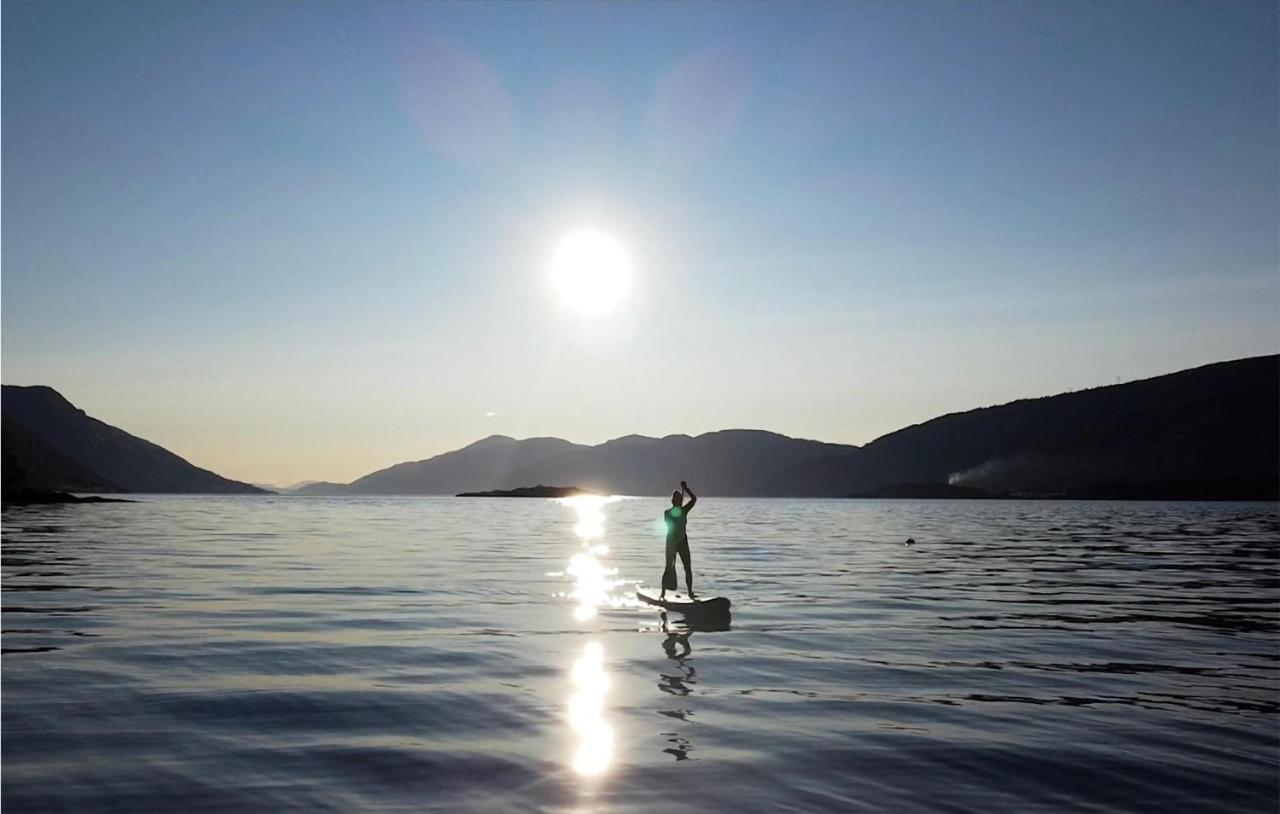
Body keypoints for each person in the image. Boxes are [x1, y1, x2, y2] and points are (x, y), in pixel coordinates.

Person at [661, 480, 697, 600]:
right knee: (669, 567)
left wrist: (686, 489)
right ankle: (663, 594)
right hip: (671, 543)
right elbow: (672, 524)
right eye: (677, 499)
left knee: (688, 568)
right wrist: (680, 512)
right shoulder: (667, 513)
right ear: (673, 501)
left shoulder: (684, 511)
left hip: (682, 542)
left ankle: (690, 592)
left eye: (680, 499)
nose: (679, 501)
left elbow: (694, 500)